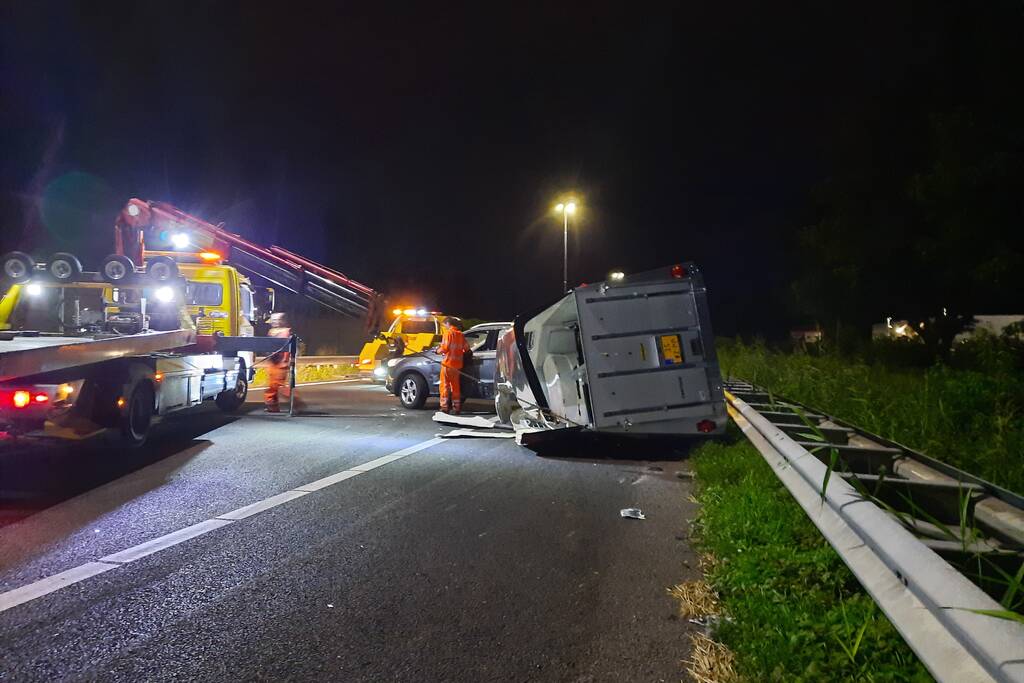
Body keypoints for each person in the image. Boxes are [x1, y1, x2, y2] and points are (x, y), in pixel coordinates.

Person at [437, 317, 468, 414]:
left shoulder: (448, 333)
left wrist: (437, 351)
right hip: (457, 366)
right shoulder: (460, 335)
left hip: (447, 364)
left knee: (445, 386)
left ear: (447, 323)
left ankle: (444, 407)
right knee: (455, 387)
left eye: (444, 325)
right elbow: (466, 349)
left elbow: (445, 348)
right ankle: (456, 407)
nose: (444, 327)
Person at [264, 312, 292, 413]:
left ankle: (296, 402)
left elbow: (286, 348)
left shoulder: (286, 332)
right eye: (273, 320)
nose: (274, 322)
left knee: (278, 385)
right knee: (273, 386)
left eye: (277, 320)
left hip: (281, 362)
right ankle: (272, 406)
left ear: (282, 321)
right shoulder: (271, 331)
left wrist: (286, 361)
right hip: (272, 362)